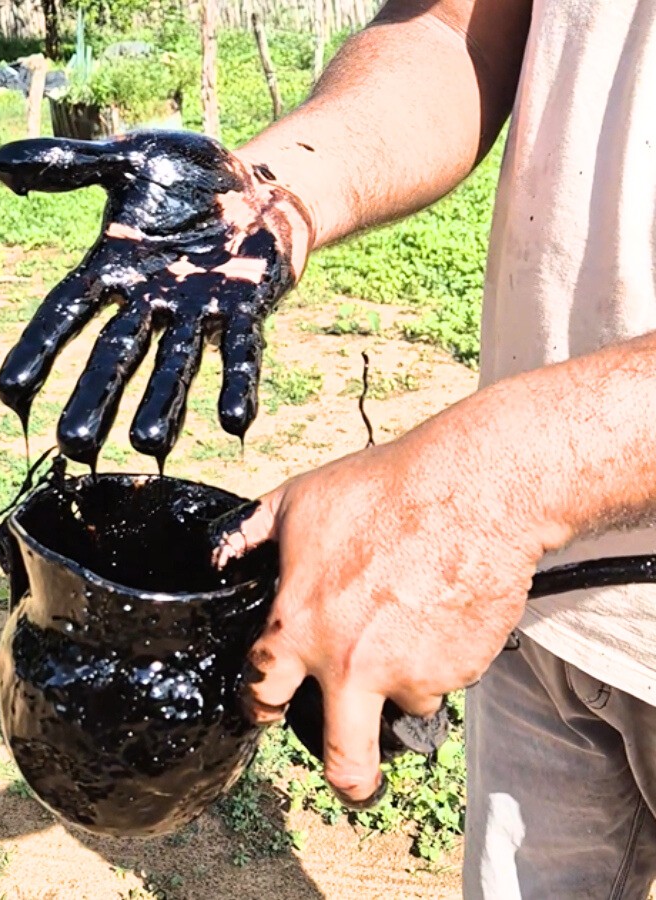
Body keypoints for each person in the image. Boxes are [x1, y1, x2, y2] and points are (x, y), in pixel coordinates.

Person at [194, 1, 656, 897]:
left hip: (512, 515)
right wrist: (275, 194)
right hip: (534, 597)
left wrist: (496, 489)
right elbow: (454, 30)